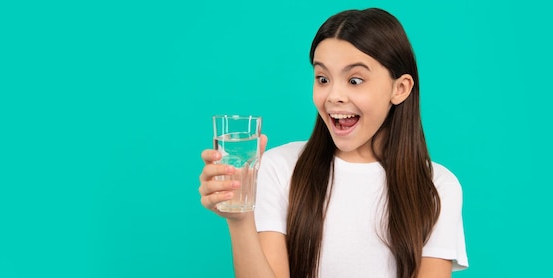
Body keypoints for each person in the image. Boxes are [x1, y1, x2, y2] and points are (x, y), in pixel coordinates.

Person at [198, 7, 468, 278]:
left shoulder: (437, 188)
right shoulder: (280, 167)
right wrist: (240, 219)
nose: (334, 96)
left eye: (355, 80)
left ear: (400, 89)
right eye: (323, 79)